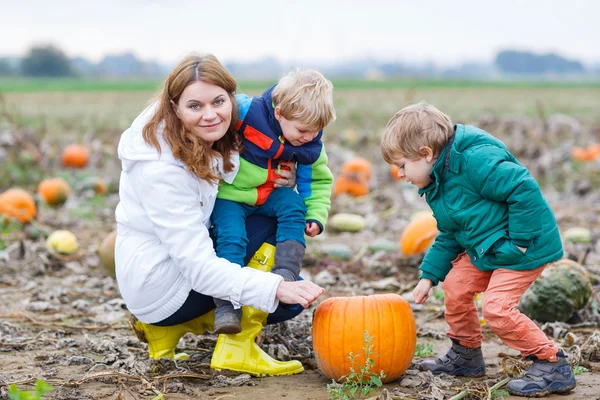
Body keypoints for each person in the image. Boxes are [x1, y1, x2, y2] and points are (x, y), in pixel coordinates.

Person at [114, 53, 324, 377]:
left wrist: (283, 174)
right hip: (163, 285)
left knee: (277, 216)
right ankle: (235, 348)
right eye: (195, 106)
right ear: (175, 107)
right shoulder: (160, 170)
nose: (210, 115)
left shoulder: (211, 133)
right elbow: (198, 268)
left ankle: (166, 332)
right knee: (283, 287)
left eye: (218, 101)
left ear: (232, 99)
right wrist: (274, 288)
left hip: (159, 275)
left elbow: (247, 169)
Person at [380, 102, 575, 397]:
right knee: (456, 286)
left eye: (402, 165)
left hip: (525, 247)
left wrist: (519, 242)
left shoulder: (476, 162)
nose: (399, 174)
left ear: (425, 153)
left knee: (496, 308)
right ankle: (466, 354)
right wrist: (428, 276)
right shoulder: (438, 182)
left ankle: (551, 363)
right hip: (489, 247)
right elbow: (450, 232)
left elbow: (525, 190)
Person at [210, 69, 335, 333]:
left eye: (316, 131)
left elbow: (318, 181)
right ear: (279, 113)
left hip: (268, 195)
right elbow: (216, 109)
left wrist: (316, 215)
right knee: (232, 238)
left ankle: (285, 273)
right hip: (231, 196)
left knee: (293, 205)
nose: (309, 138)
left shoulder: (310, 144)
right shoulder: (245, 112)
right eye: (302, 130)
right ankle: (226, 305)